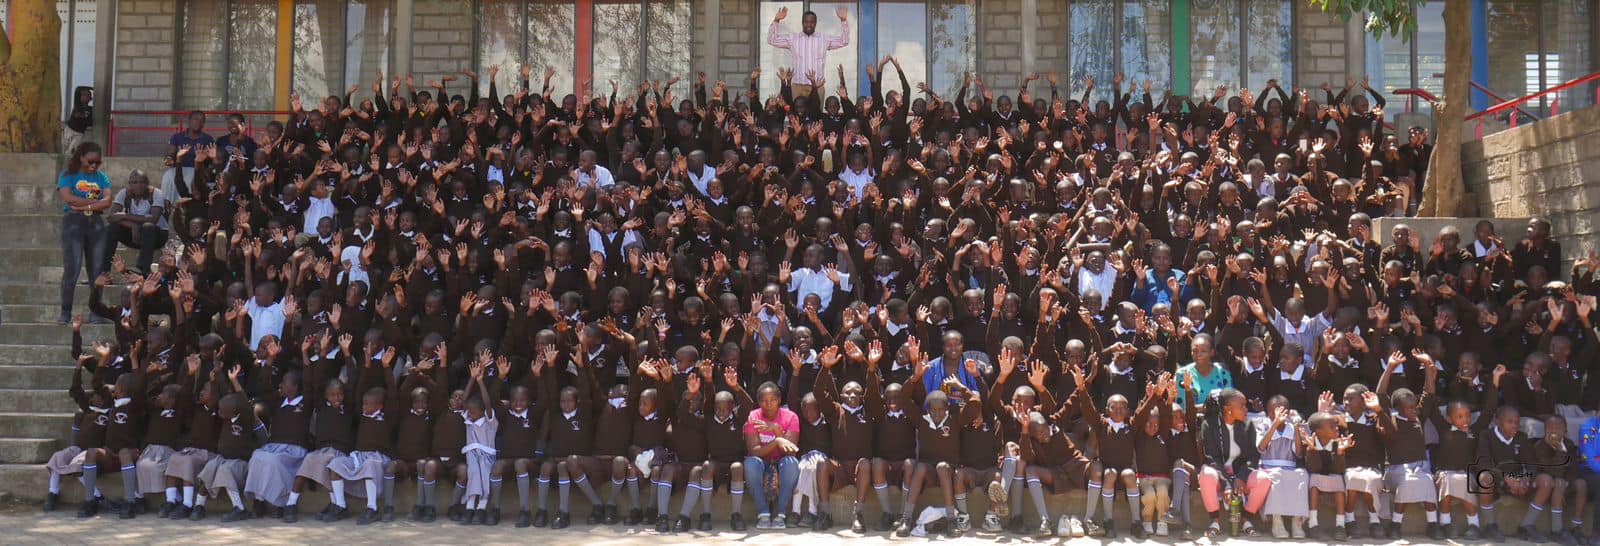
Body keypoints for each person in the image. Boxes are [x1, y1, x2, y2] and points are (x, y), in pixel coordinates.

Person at [57, 141, 113, 325]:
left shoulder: (102, 177)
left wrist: (85, 206)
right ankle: (66, 311)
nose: (94, 166)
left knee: (96, 270)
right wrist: (94, 203)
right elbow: (68, 198)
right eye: (90, 162)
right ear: (81, 158)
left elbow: (107, 201)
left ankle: (96, 311)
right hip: (73, 223)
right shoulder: (68, 175)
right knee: (72, 269)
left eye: (98, 162)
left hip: (96, 223)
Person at [743, 381, 800, 530]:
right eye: (764, 401)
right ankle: (763, 513)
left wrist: (776, 429)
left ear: (779, 400)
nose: (769, 404)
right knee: (750, 463)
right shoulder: (754, 416)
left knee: (791, 463)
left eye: (773, 400)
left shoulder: (791, 417)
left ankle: (780, 514)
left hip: (782, 461)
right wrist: (777, 442)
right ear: (759, 402)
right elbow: (754, 451)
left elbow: (790, 450)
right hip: (762, 462)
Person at [766, 7, 851, 94]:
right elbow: (772, 40)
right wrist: (776, 20)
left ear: (815, 23)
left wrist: (843, 20)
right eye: (806, 22)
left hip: (817, 87)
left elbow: (844, 41)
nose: (809, 25)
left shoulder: (824, 39)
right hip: (798, 87)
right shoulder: (793, 39)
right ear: (802, 23)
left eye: (812, 22)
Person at [104, 169, 169, 275]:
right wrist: (133, 225)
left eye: (142, 182)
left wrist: (125, 215)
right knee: (111, 228)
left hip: (157, 236)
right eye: (134, 182)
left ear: (147, 183)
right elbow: (111, 217)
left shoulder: (156, 193)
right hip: (134, 235)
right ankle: (103, 272)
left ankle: (142, 270)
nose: (138, 186)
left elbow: (153, 219)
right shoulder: (124, 193)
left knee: (148, 226)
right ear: (130, 184)